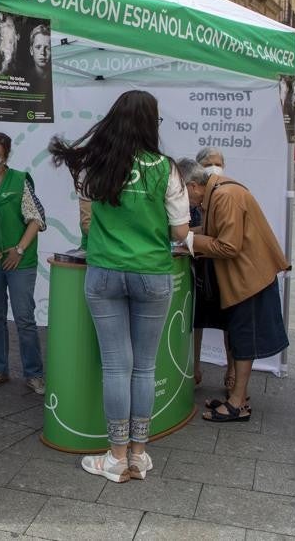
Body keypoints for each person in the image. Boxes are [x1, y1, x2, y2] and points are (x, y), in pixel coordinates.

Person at [49, 90, 191, 484]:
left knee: (116, 364)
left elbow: (86, 215)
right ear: (151, 123)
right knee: (144, 365)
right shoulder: (168, 169)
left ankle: (115, 456)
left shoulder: (96, 163)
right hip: (152, 272)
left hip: (105, 272)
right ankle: (139, 455)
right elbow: (180, 231)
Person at [177, 159, 290, 422]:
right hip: (247, 278)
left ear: (193, 186)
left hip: (250, 279)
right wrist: (182, 236)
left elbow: (228, 246)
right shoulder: (218, 193)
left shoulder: (225, 195)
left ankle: (238, 403)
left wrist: (190, 240)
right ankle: (237, 397)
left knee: (243, 341)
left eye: (181, 194)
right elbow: (213, 232)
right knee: (239, 339)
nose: (184, 202)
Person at [0, 132, 48, 394]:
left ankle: (34, 373)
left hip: (19, 260)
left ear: (6, 156)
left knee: (24, 317)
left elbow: (38, 219)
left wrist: (19, 249)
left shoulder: (19, 180)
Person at [191, 147, 232, 390]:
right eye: (209, 163)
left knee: (230, 322)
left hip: (223, 269)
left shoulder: (226, 192)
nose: (214, 167)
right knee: (196, 320)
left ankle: (232, 371)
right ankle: (194, 367)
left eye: (218, 163)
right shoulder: (192, 198)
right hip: (198, 269)